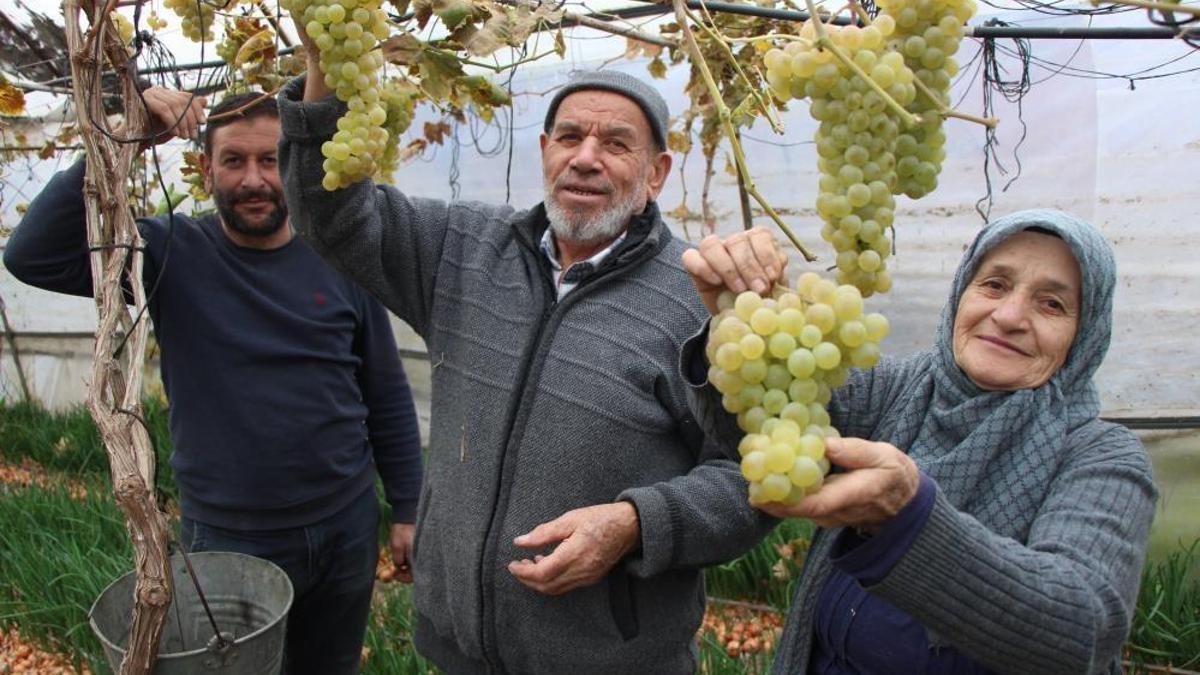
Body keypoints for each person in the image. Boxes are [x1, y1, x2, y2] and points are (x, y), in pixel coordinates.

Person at [276, 39, 776, 671]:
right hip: (457, 652)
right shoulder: (462, 248)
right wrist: (325, 65)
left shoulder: (697, 301)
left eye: (616, 144)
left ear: (656, 174)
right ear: (545, 151)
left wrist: (636, 524)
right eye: (569, 137)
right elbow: (332, 213)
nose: (586, 159)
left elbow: (755, 480)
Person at [3, 88, 424, 675]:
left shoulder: (335, 257)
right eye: (233, 161)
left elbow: (384, 392)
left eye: (271, 159)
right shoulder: (170, 252)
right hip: (231, 536)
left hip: (345, 526)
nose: (255, 179)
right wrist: (128, 133)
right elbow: (33, 256)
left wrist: (406, 506)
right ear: (206, 169)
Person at [681, 210, 1159, 673]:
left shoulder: (1101, 457)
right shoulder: (897, 388)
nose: (1010, 315)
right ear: (961, 291)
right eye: (994, 284)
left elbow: (1079, 633)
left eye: (1051, 303)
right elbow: (763, 428)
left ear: (1085, 333)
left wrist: (910, 518)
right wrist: (738, 327)